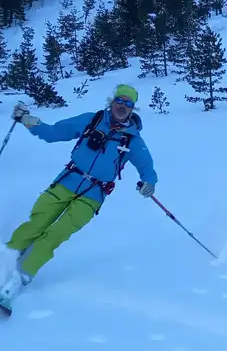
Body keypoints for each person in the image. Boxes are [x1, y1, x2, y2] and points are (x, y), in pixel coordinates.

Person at [1, 84, 158, 305]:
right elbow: (53, 132)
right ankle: (6, 260)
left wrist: (149, 184)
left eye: (128, 103)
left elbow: (147, 168)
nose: (122, 106)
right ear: (112, 101)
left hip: (93, 194)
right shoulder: (91, 120)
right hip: (67, 181)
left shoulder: (132, 140)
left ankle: (19, 279)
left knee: (55, 235)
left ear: (133, 108)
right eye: (119, 101)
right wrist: (27, 119)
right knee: (37, 223)